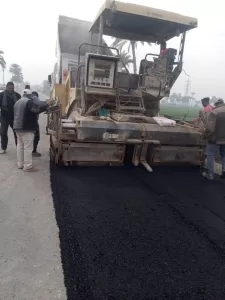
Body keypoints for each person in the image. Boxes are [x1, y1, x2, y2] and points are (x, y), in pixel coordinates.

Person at [13, 89, 53, 172]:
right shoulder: (28, 102)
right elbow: (36, 110)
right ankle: (27, 166)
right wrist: (47, 104)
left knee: (20, 147)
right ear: (30, 95)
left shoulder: (18, 102)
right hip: (26, 128)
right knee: (28, 148)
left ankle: (20, 164)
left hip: (17, 128)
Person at [202, 100, 225, 180]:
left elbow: (210, 129)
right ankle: (224, 172)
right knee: (224, 155)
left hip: (215, 138)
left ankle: (210, 174)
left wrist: (205, 135)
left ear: (216, 104)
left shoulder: (214, 112)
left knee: (211, 155)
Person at [0, 82, 21, 154]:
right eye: (9, 88)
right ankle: (3, 148)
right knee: (3, 132)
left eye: (12, 88)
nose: (11, 90)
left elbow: (20, 107)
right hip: (4, 117)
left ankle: (18, 147)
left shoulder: (18, 96)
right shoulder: (1, 95)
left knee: (16, 133)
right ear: (6, 87)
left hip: (14, 117)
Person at [31, 91, 42, 157]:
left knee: (37, 137)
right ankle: (32, 151)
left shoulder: (37, 104)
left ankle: (34, 150)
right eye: (33, 97)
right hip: (30, 123)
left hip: (35, 122)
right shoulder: (29, 104)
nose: (34, 98)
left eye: (35, 97)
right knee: (32, 137)